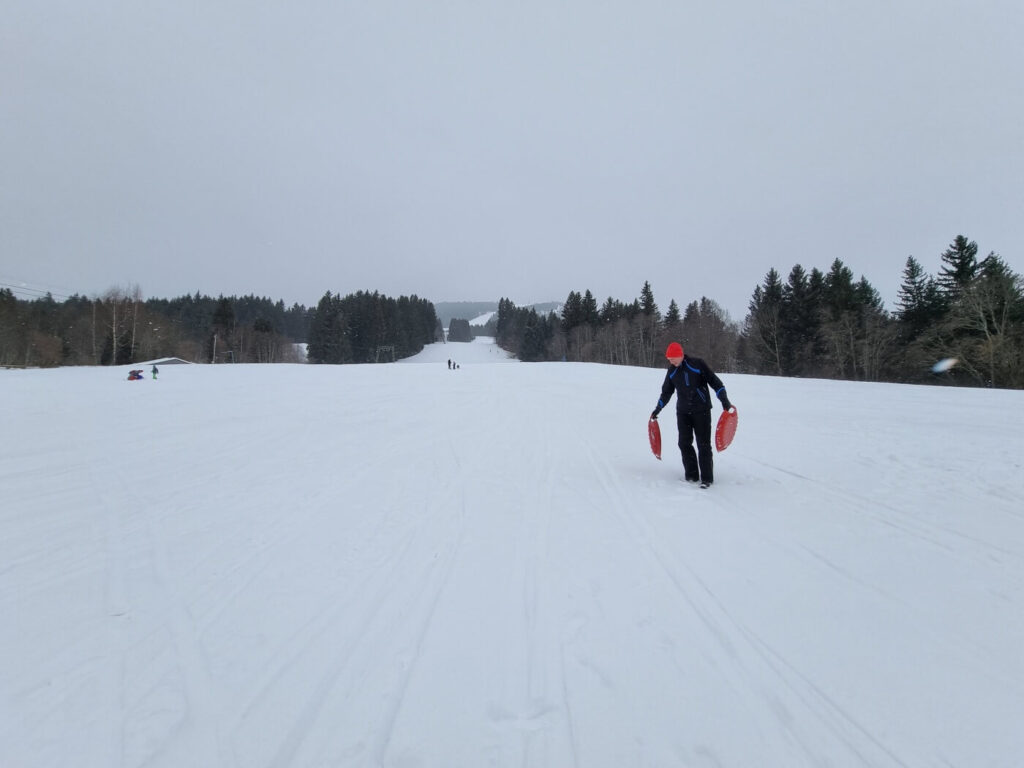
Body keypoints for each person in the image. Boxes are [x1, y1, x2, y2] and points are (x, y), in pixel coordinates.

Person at [650, 341, 734, 488]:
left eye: (672, 358)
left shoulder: (697, 364)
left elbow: (716, 383)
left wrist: (725, 401)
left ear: (680, 355)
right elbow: (666, 392)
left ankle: (707, 479)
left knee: (703, 445)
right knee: (684, 443)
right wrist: (658, 409)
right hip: (683, 413)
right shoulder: (672, 371)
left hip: (702, 411)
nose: (670, 361)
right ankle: (692, 475)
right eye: (669, 359)